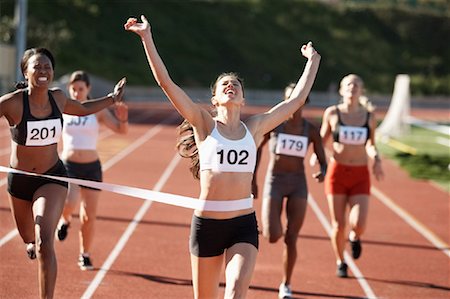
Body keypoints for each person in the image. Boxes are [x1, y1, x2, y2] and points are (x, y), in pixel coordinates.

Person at [124, 15, 320, 299]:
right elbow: (167, 83)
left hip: (243, 225)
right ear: (214, 99)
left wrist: (312, 61)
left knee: (235, 292)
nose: (231, 86)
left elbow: (296, 101)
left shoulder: (254, 128)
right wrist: (147, 38)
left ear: (243, 100)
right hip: (207, 226)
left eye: (236, 85)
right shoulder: (203, 124)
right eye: (224, 85)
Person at [0, 47, 125, 299]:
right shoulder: (12, 102)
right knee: (29, 238)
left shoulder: (57, 98)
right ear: (26, 72)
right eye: (38, 66)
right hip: (20, 180)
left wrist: (112, 98)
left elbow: (82, 107)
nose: (44, 71)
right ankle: (29, 243)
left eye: (48, 67)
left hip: (52, 177)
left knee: (45, 241)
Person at [255, 84, 327, 298]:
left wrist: (323, 171)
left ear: (304, 101)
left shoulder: (311, 129)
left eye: (298, 99)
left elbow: (323, 161)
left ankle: (286, 284)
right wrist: (252, 179)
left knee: (291, 238)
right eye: (289, 99)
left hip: (298, 184)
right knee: (273, 235)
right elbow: (257, 148)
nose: (293, 104)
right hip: (275, 181)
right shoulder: (275, 126)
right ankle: (273, 228)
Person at [55, 70, 129, 271]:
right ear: (69, 89)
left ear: (88, 89)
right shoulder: (63, 109)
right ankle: (65, 219)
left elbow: (121, 131)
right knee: (69, 203)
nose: (77, 92)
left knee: (89, 215)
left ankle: (85, 254)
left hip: (92, 167)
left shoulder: (97, 111)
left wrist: (122, 118)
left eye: (81, 89)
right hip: (69, 165)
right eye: (74, 89)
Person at [316, 74, 384, 278]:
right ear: (341, 89)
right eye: (348, 84)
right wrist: (317, 159)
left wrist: (377, 158)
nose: (352, 87)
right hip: (337, 173)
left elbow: (371, 143)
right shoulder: (332, 113)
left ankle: (355, 237)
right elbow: (321, 140)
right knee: (338, 224)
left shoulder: (369, 116)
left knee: (359, 223)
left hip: (360, 173)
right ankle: (340, 261)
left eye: (356, 84)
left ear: (361, 90)